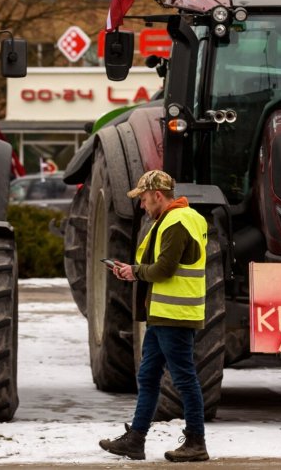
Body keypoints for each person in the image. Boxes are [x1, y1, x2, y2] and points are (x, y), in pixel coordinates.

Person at [98, 170, 210, 463]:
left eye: (145, 199)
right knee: (148, 376)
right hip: (163, 315)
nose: (143, 205)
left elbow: (163, 270)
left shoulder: (175, 222)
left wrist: (133, 272)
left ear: (158, 195)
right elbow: (158, 266)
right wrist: (132, 269)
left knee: (184, 378)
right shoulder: (182, 219)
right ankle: (135, 439)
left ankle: (196, 442)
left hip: (175, 315)